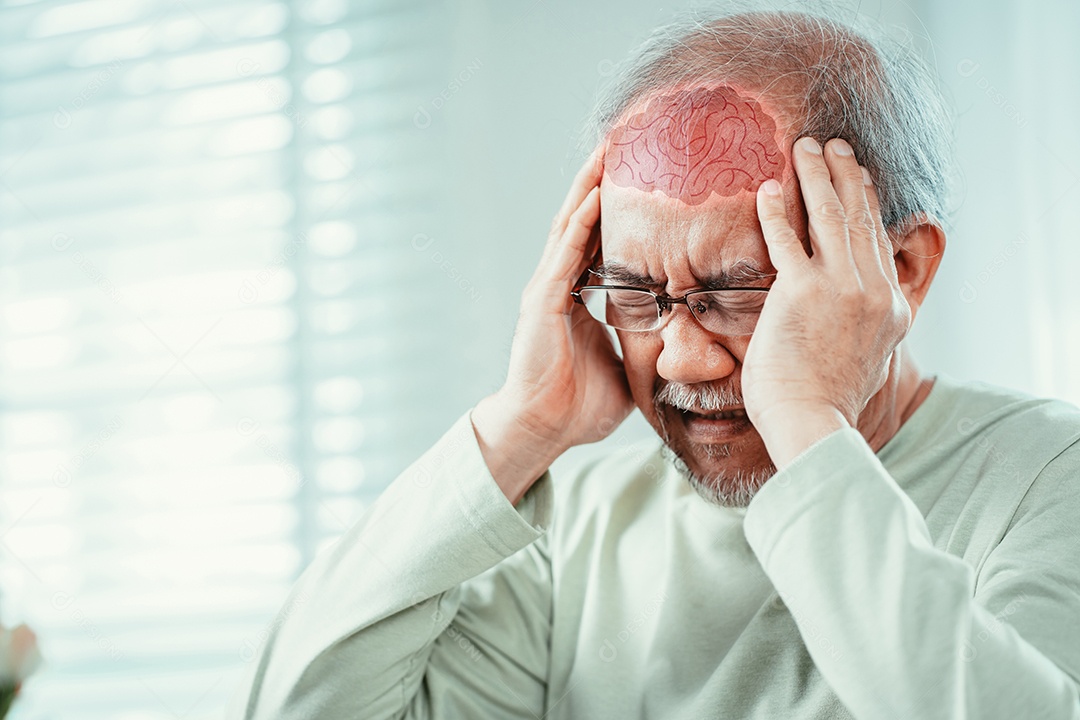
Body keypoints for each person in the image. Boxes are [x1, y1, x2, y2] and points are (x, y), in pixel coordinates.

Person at [228, 7, 1080, 720]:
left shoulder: (1052, 477)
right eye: (635, 294)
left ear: (900, 270)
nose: (679, 354)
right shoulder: (580, 534)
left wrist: (806, 428)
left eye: (742, 293)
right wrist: (516, 429)